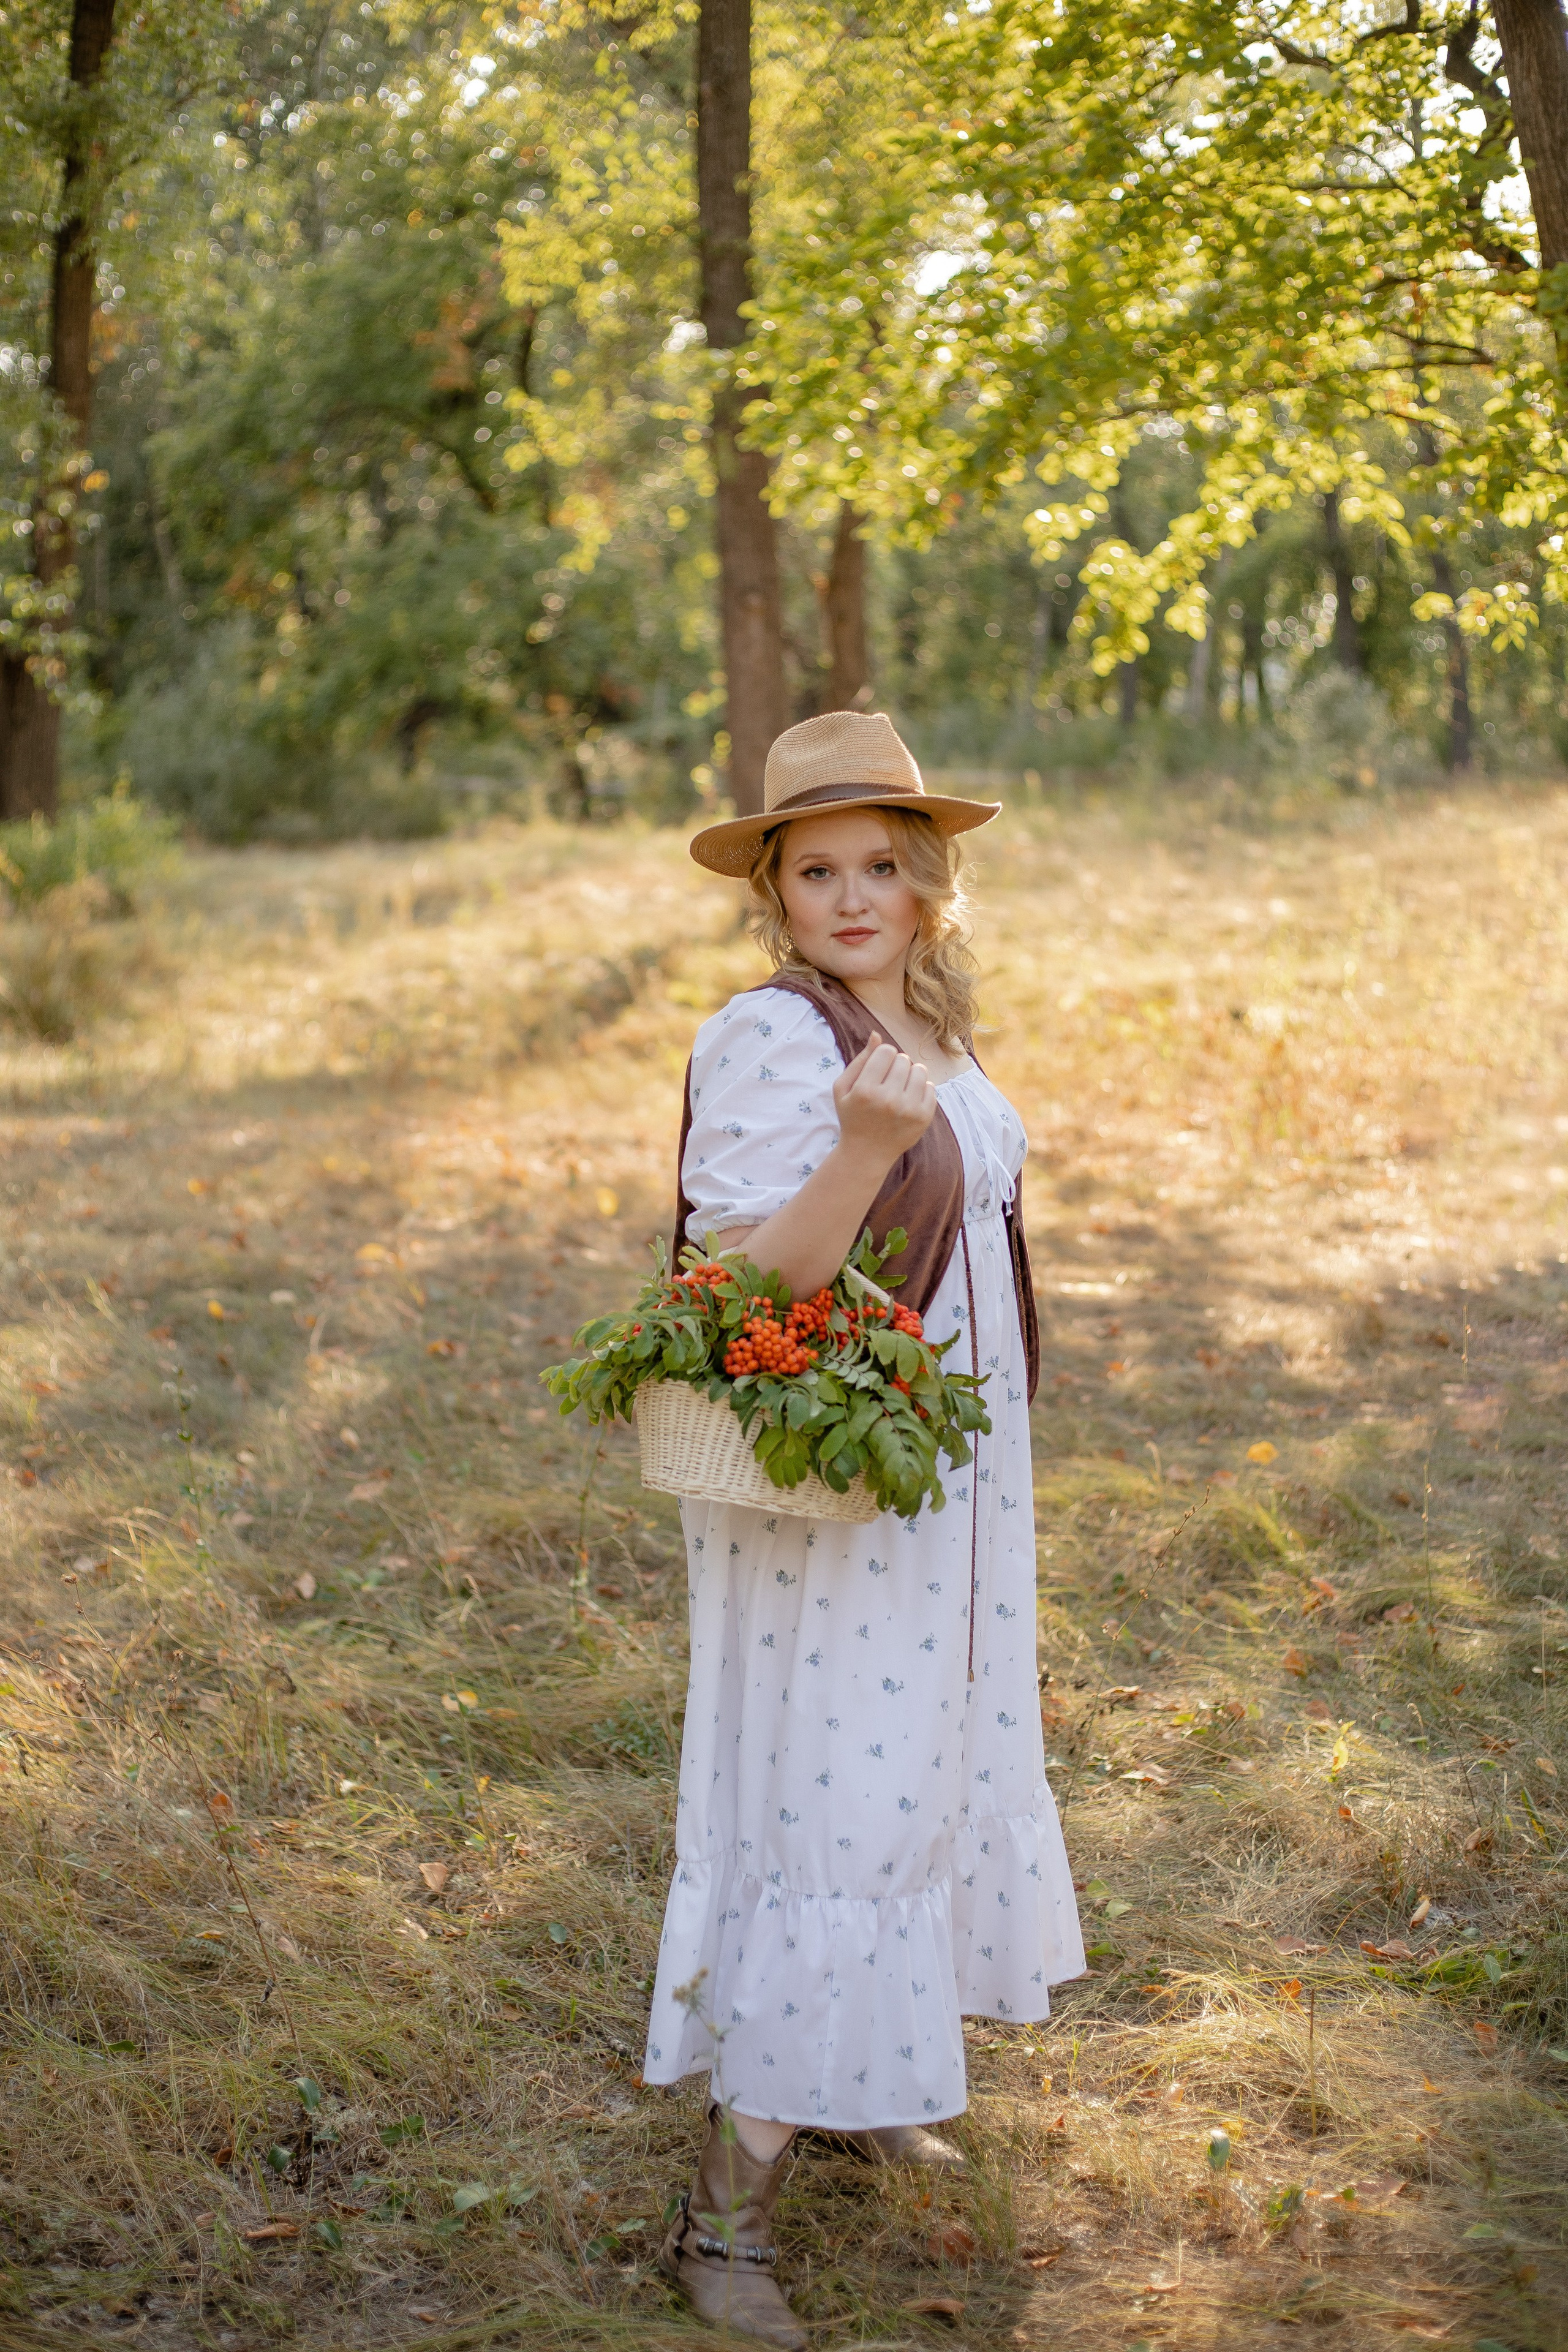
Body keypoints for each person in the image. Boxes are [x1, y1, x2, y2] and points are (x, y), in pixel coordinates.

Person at [647, 711, 1085, 2346]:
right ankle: (728, 2220)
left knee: (925, 1768)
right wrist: (863, 1143)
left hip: (956, 1467)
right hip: (839, 1475)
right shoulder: (773, 1042)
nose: (852, 895)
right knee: (840, 1791)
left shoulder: (933, 1026)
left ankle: (861, 2067)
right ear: (774, 892)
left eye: (880, 867)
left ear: (927, 888)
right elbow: (754, 1283)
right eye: (815, 868)